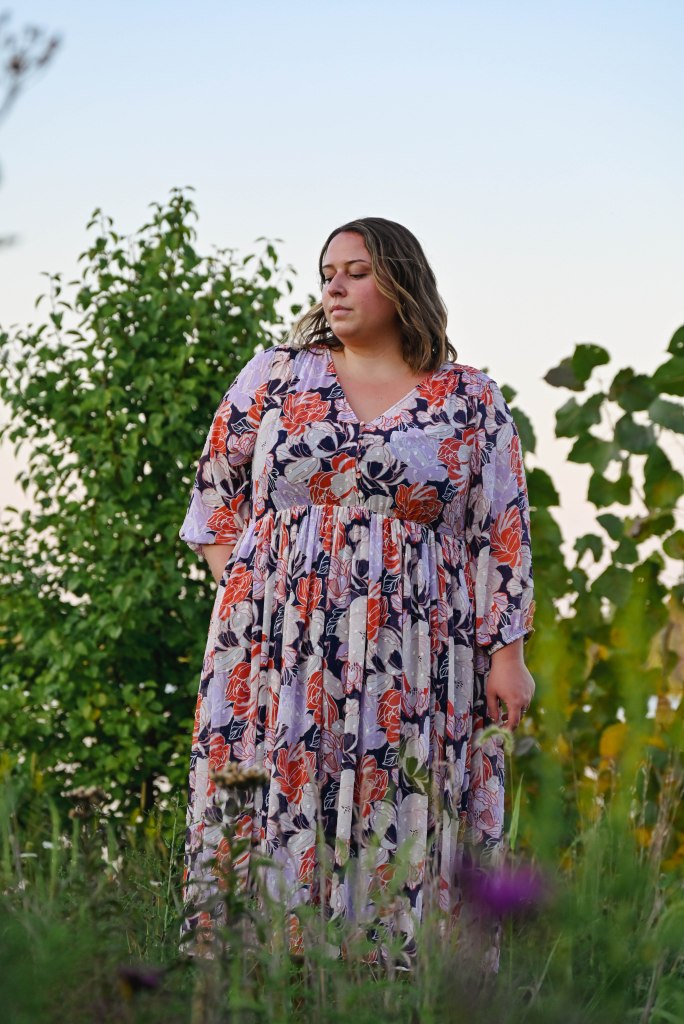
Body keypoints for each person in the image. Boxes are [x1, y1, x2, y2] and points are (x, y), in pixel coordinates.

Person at [179, 217, 535, 964]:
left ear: (403, 281)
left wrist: (509, 654)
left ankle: (401, 986)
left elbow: (500, 528)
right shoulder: (277, 376)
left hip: (419, 654)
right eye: (327, 271)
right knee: (275, 801)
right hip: (280, 653)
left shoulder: (468, 398)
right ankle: (269, 984)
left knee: (404, 804)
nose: (333, 286)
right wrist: (255, 599)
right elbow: (215, 495)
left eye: (357, 271)